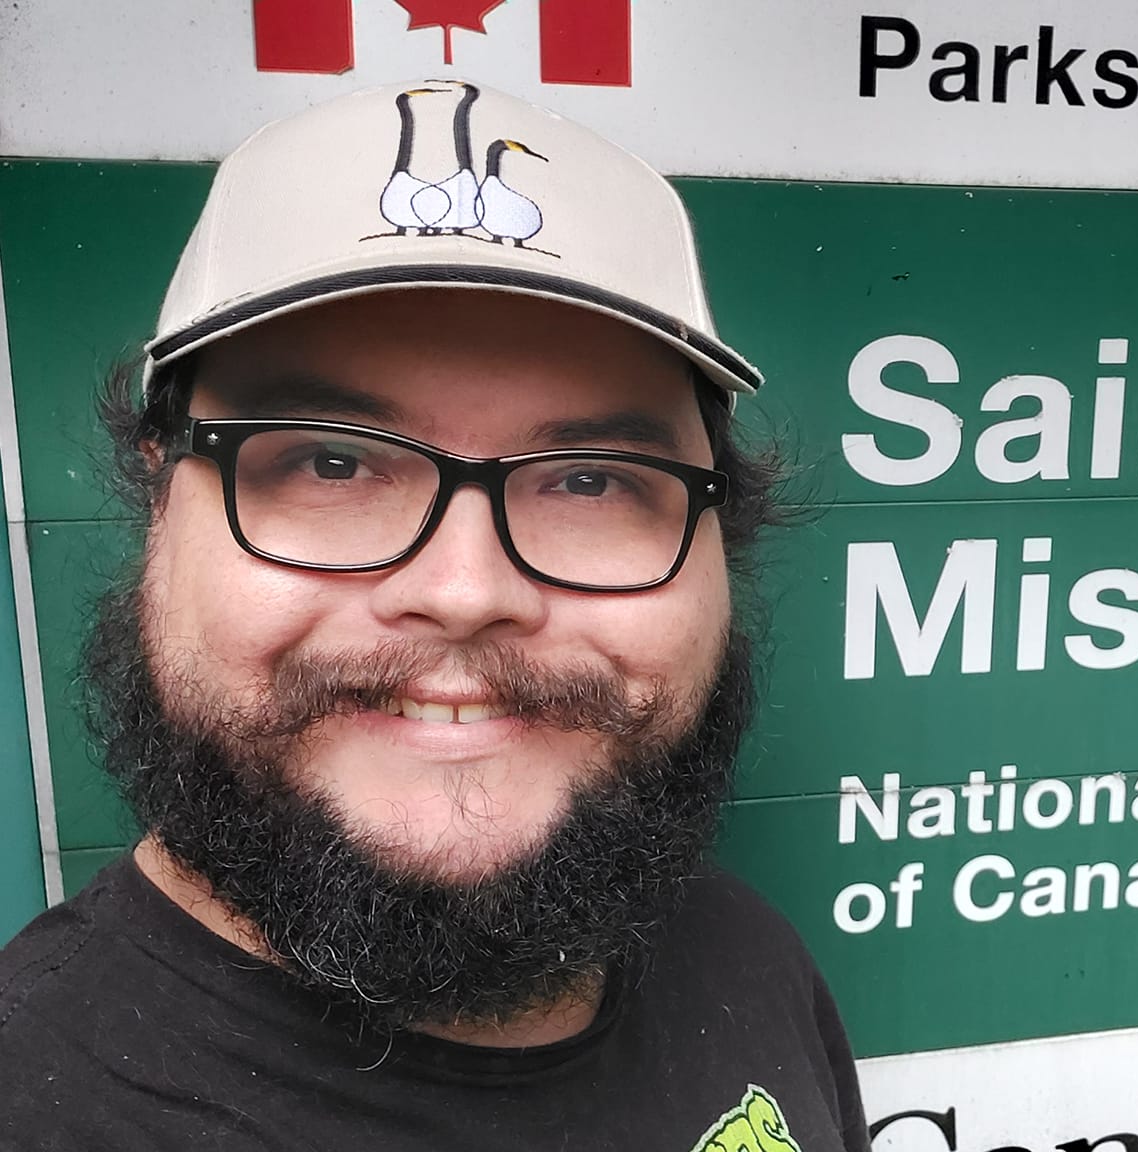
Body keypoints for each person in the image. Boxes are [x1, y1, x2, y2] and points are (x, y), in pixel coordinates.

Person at [0, 80, 867, 1151]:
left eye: (591, 480)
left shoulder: (748, 957)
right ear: (156, 505)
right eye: (330, 462)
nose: (465, 591)